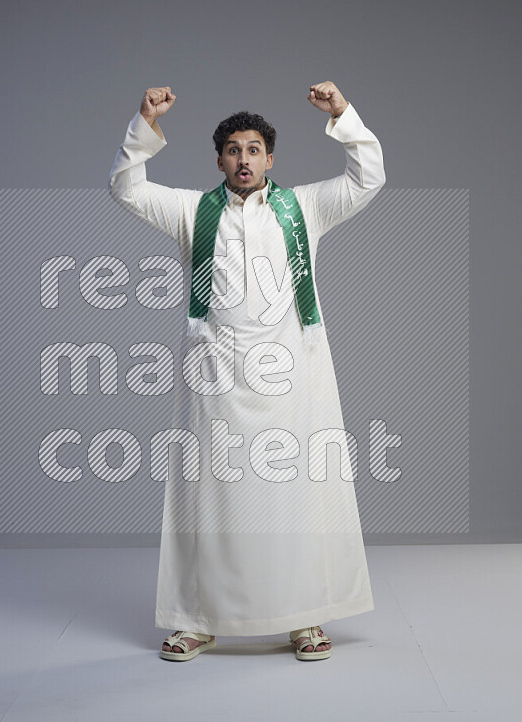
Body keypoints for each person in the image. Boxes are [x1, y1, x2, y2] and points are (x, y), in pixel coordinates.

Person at [109, 82, 386, 661]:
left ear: (270, 158)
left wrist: (342, 114)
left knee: (299, 493)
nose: (244, 159)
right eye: (233, 150)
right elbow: (126, 188)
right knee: (208, 497)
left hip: (294, 373)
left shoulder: (304, 207)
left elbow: (368, 178)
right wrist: (144, 124)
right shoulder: (191, 210)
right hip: (215, 374)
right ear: (219, 160)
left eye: (254, 149)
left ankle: (305, 617)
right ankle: (196, 619)